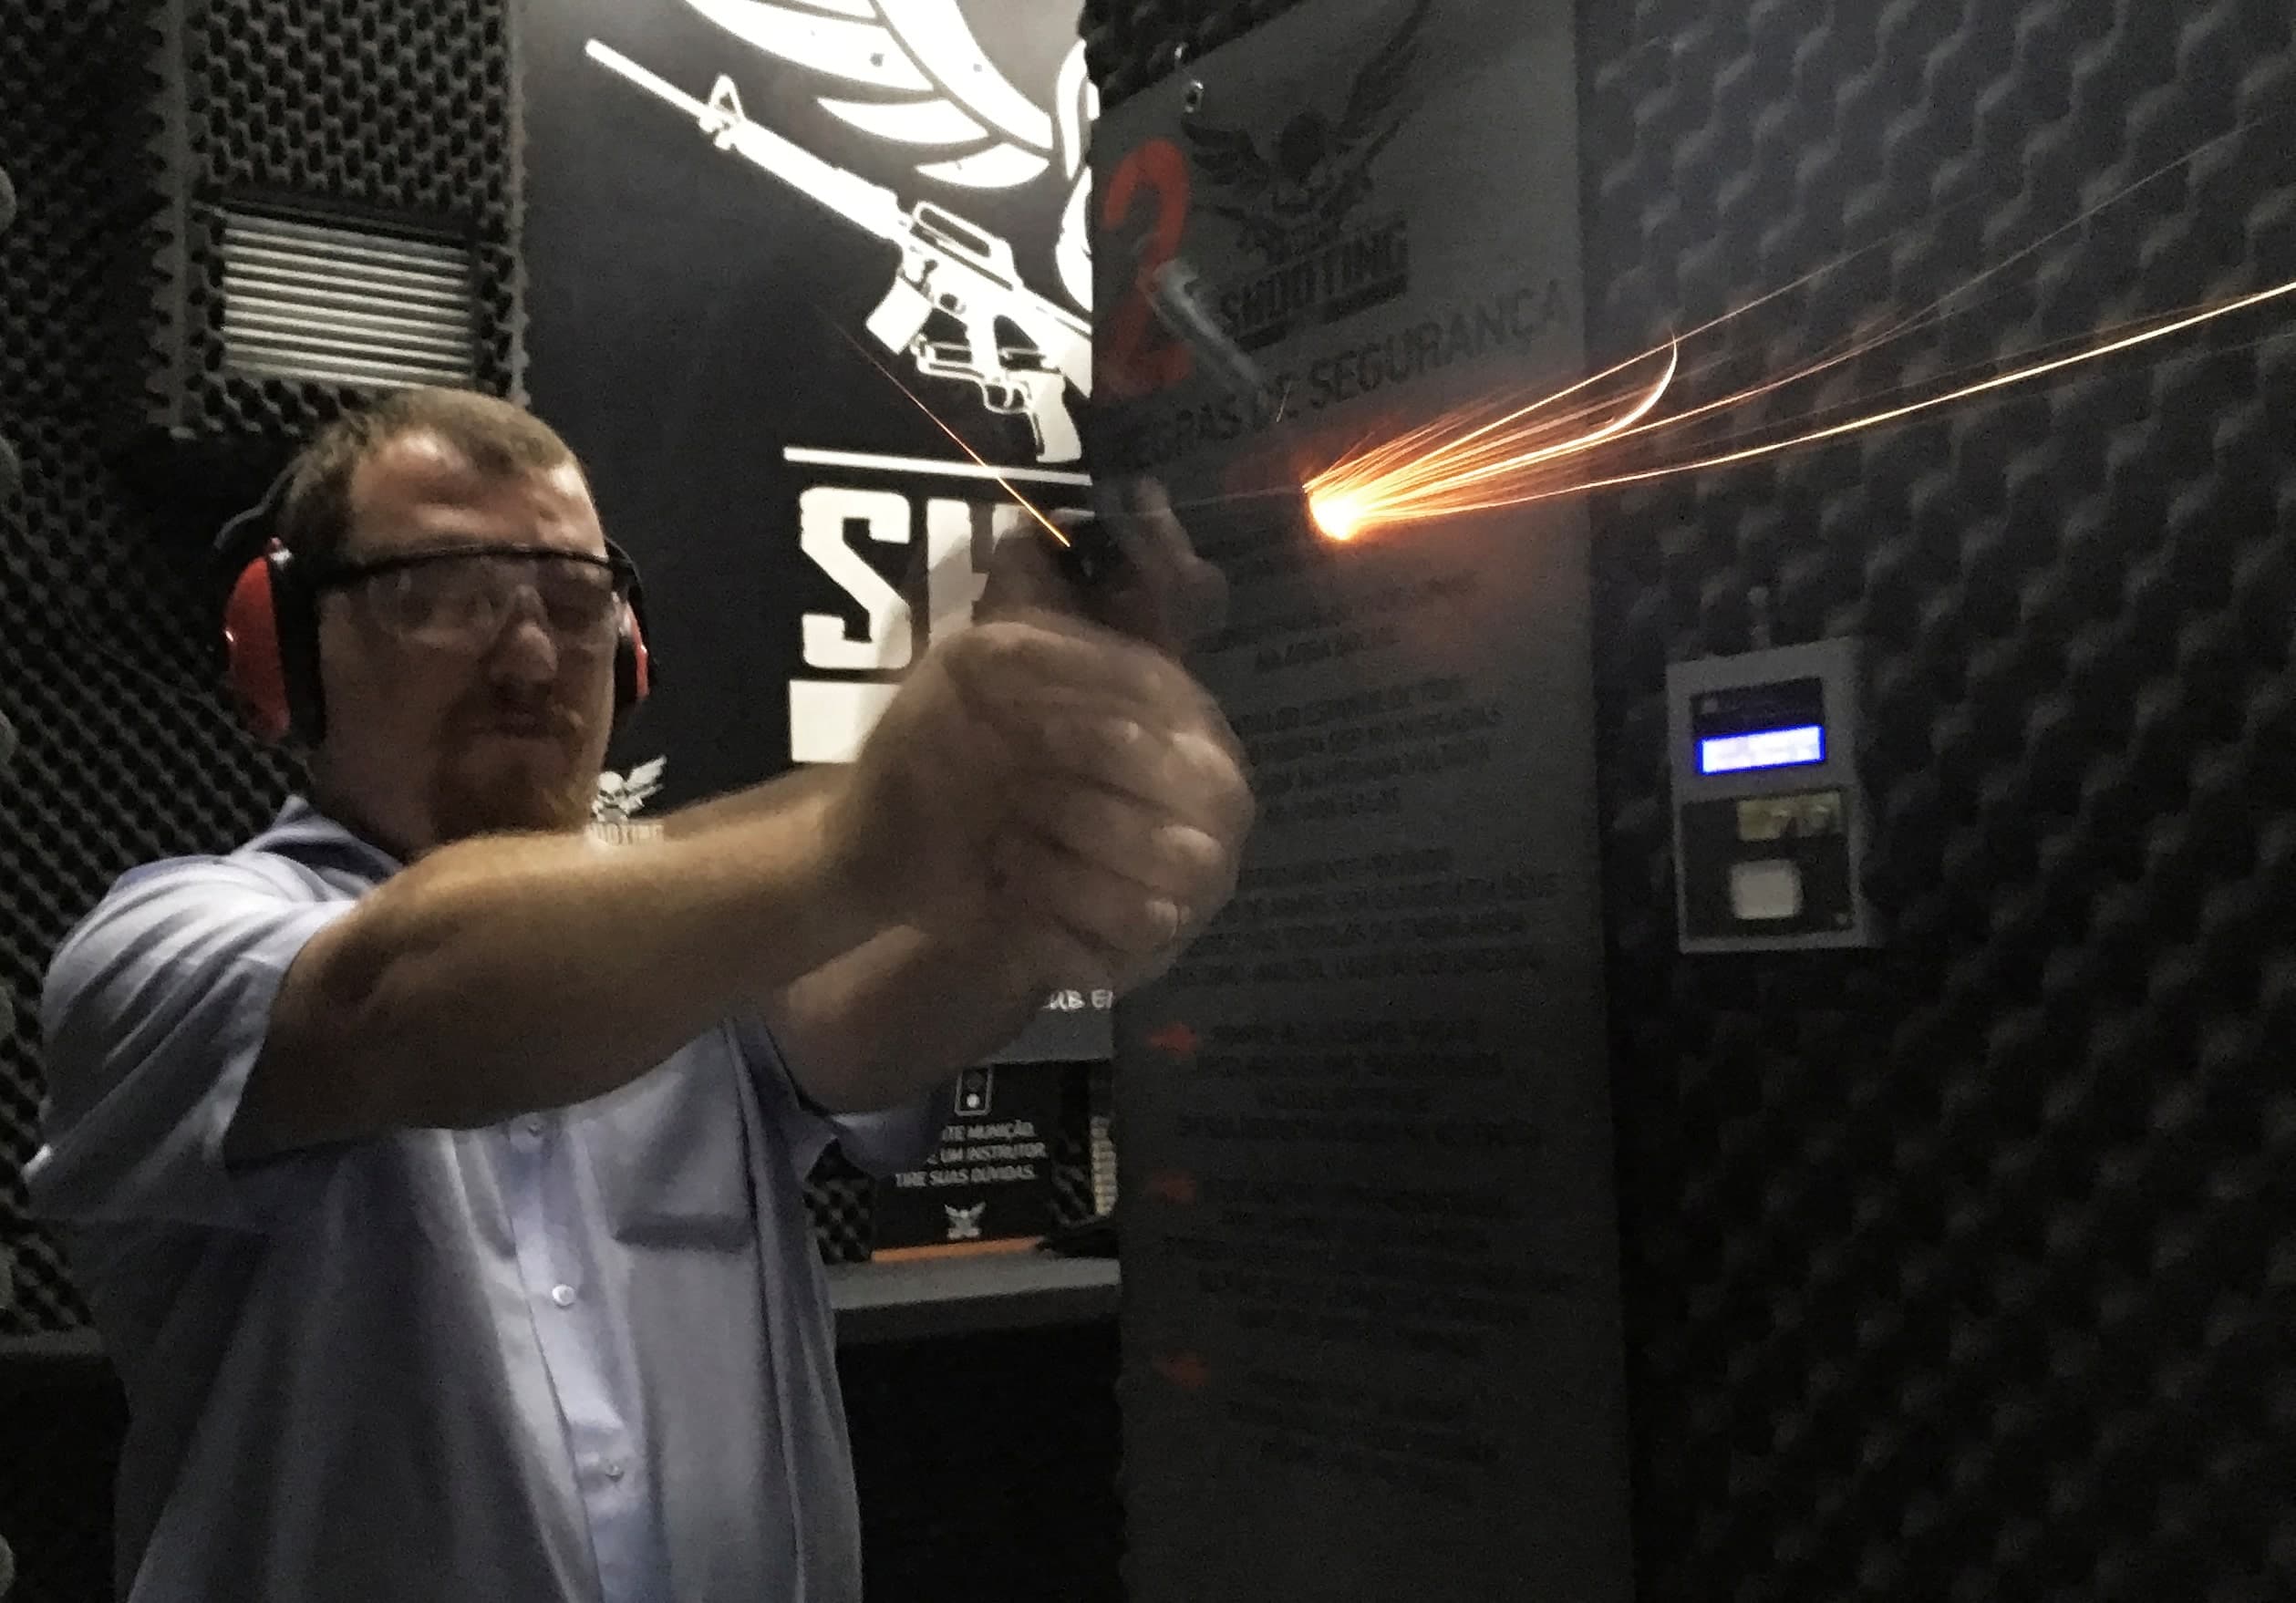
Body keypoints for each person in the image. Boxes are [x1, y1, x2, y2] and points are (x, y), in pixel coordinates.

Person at [24, 388, 1252, 1603]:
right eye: (441, 596)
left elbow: (879, 1007)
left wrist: (1048, 846)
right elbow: (396, 999)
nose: (528, 657)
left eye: (573, 603)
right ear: (285, 650)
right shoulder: (158, 950)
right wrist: (863, 835)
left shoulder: (700, 943)